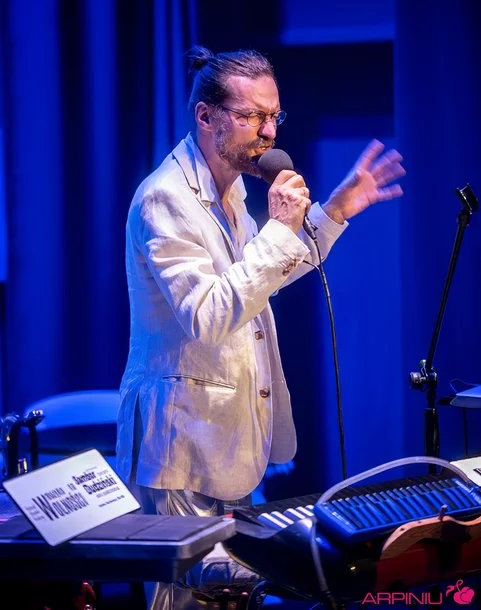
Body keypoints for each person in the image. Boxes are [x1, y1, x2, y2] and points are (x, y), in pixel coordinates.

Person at [116, 45, 405, 608]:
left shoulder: (231, 190)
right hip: (179, 449)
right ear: (206, 116)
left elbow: (257, 281)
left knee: (234, 597)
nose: (269, 132)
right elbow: (208, 316)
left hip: (226, 439)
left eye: (274, 115)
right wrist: (278, 228)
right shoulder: (165, 199)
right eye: (252, 116)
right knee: (190, 598)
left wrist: (331, 213)